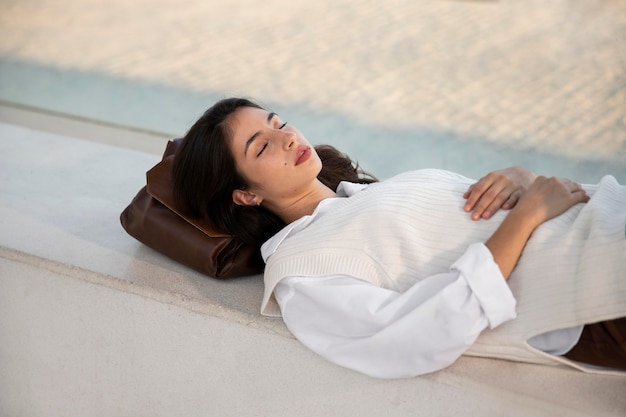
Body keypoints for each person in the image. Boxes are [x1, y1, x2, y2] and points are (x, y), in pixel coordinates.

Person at [173, 97, 626, 379]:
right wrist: (523, 219)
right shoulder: (299, 270)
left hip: (603, 221)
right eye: (262, 145)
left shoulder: (365, 195)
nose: (286, 138)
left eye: (278, 123)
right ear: (246, 195)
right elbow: (415, 337)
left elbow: (510, 206)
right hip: (596, 293)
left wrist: (522, 180)